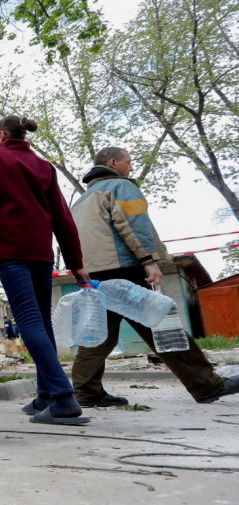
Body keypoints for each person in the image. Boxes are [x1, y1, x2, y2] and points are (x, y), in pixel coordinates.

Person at [70, 147, 239, 405]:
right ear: (113, 162)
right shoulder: (121, 186)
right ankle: (206, 386)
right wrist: (148, 260)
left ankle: (86, 392)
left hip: (95, 273)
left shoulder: (82, 199)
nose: (131, 167)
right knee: (162, 325)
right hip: (124, 268)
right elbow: (133, 224)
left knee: (99, 333)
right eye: (129, 161)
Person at [0, 114, 90, 425]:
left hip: (11, 253)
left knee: (28, 321)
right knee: (42, 323)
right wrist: (76, 263)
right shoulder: (43, 166)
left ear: (0, 134)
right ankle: (46, 395)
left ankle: (64, 398)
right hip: (41, 253)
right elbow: (62, 217)